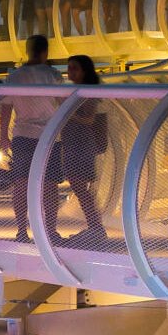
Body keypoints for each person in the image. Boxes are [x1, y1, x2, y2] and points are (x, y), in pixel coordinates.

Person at [0, 34, 63, 244]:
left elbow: (6, 107)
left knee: (21, 183)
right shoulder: (53, 75)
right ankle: (50, 231)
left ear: (27, 50)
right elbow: (63, 103)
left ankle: (21, 231)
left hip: (22, 136)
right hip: (49, 136)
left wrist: (3, 136)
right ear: (46, 52)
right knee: (50, 184)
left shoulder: (14, 77)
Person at [51, 55, 111, 245]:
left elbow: (89, 119)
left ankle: (96, 228)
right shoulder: (76, 91)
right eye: (69, 68)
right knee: (78, 185)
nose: (70, 72)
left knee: (80, 186)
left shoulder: (88, 92)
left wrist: (66, 110)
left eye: (74, 68)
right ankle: (94, 227)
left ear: (85, 71)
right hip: (72, 143)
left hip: (82, 144)